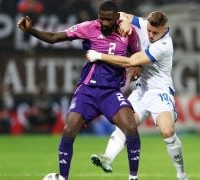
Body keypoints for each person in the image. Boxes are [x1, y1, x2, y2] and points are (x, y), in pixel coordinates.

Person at [17, 1, 141, 180]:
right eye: (101, 18)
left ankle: (133, 177)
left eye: (108, 19)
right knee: (69, 129)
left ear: (116, 18)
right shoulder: (88, 27)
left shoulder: (128, 32)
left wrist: (138, 67)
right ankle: (63, 177)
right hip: (88, 91)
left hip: (111, 92)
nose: (104, 23)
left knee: (130, 127)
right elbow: (54, 37)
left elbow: (137, 55)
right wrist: (30, 30)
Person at [86, 11, 188, 180]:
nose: (150, 35)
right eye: (149, 30)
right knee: (126, 125)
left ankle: (181, 174)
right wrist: (125, 20)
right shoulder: (142, 23)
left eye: (155, 32)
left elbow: (132, 61)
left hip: (160, 92)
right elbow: (118, 13)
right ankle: (107, 158)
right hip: (140, 91)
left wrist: (100, 56)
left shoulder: (164, 46)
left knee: (167, 130)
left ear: (165, 29)